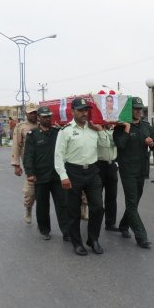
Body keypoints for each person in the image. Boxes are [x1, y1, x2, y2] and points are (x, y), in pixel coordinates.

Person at [54, 97, 109, 256]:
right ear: (73, 111)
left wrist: (100, 130)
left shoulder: (93, 128)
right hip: (73, 172)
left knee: (98, 207)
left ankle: (93, 239)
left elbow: (105, 146)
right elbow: (58, 155)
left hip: (92, 171)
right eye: (81, 110)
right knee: (73, 210)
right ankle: (77, 243)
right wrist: (63, 176)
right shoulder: (65, 131)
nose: (85, 113)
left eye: (86, 110)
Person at [113, 97, 154, 248]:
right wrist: (126, 129)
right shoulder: (120, 127)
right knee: (131, 203)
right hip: (127, 170)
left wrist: (152, 143)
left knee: (135, 202)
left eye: (140, 108)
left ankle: (124, 225)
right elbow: (119, 144)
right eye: (135, 108)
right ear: (129, 110)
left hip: (141, 169)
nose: (138, 111)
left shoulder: (146, 126)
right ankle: (141, 237)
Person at [23, 106, 70, 241]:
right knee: (43, 205)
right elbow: (28, 156)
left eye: (49, 116)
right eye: (44, 117)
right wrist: (30, 173)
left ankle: (66, 231)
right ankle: (44, 229)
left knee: (62, 204)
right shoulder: (33, 134)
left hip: (56, 175)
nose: (47, 119)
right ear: (39, 117)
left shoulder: (57, 132)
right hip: (41, 176)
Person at [11, 103, 39, 224]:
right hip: (29, 165)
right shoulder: (21, 127)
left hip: (44, 164)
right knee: (30, 192)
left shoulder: (43, 124)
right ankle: (28, 209)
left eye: (35, 112)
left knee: (43, 193)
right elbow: (16, 146)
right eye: (31, 112)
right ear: (26, 113)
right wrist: (16, 165)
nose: (33, 114)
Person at [97, 124, 119, 232]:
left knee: (112, 196)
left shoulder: (114, 130)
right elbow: (104, 143)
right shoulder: (96, 130)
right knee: (96, 197)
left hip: (112, 166)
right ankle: (95, 223)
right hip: (99, 165)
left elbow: (116, 143)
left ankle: (110, 223)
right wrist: (101, 129)